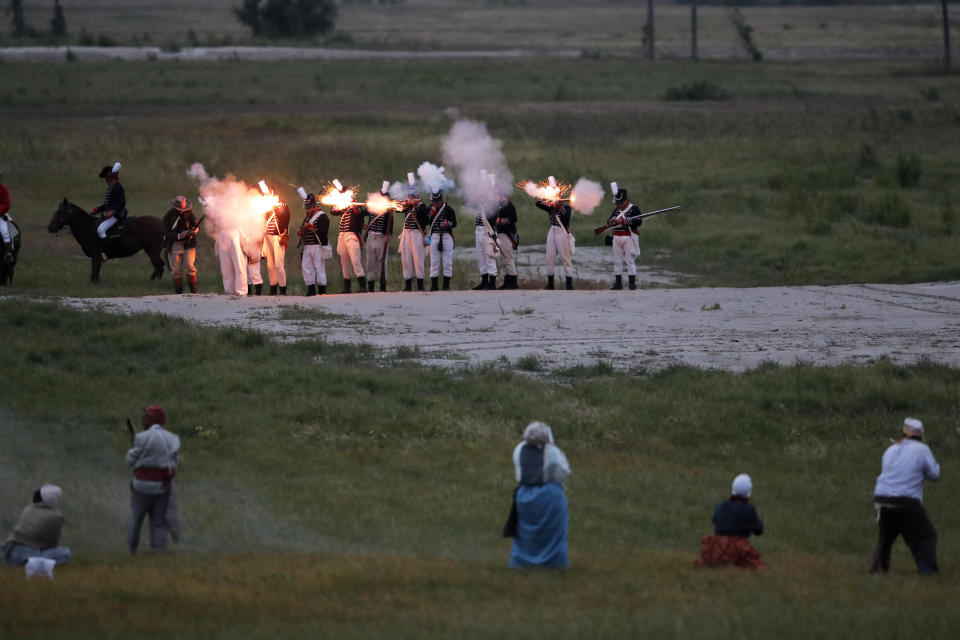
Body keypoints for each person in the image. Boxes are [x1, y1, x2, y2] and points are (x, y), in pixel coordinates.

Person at [871, 417, 940, 575]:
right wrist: (936, 466)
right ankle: (927, 570)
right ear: (921, 435)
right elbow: (934, 475)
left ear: (904, 432)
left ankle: (878, 569)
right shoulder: (921, 450)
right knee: (925, 535)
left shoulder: (891, 449)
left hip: (881, 498)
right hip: (906, 500)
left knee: (886, 536)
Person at [508, 421, 571, 569]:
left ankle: (522, 562)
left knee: (525, 532)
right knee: (553, 531)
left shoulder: (519, 449)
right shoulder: (552, 452)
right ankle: (553, 562)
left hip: (524, 494)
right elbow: (564, 471)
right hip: (549, 495)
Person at [126, 404, 181, 554]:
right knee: (158, 521)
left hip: (141, 486)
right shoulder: (173, 438)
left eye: (145, 417)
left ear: (151, 419)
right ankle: (159, 551)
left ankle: (132, 550)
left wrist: (133, 446)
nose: (143, 419)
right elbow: (174, 463)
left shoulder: (141, 438)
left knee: (136, 519)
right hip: (162, 486)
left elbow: (130, 460)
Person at [696, 474, 765, 569]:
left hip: (714, 548)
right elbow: (758, 531)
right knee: (759, 566)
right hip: (737, 548)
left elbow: (715, 522)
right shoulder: (748, 510)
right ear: (749, 491)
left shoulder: (720, 506)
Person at [2, 485, 71, 567]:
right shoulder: (57, 517)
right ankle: (34, 563)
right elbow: (51, 544)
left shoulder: (28, 509)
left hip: (11, 552)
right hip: (28, 555)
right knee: (65, 553)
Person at [605, 185, 641, 290]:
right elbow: (608, 222)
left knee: (630, 261)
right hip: (616, 237)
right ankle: (618, 284)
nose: (618, 205)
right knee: (617, 261)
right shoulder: (616, 210)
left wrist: (625, 221)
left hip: (628, 237)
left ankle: (632, 284)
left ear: (625, 200)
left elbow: (638, 221)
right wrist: (611, 220)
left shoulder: (634, 209)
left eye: (620, 203)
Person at [162, 196, 200, 294]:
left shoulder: (189, 213)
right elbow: (166, 233)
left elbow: (196, 225)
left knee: (190, 266)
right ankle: (179, 294)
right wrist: (179, 236)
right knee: (176, 269)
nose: (182, 211)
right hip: (175, 243)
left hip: (189, 243)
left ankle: (194, 293)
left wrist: (195, 231)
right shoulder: (168, 216)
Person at [535, 198, 574, 290]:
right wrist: (547, 199)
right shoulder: (551, 207)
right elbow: (538, 203)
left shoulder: (566, 207)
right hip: (551, 231)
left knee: (565, 258)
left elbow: (566, 218)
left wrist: (559, 205)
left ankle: (569, 284)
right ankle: (550, 284)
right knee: (549, 257)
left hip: (562, 232)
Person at [398, 184, 429, 292]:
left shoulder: (422, 206)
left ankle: (420, 285)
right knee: (406, 260)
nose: (410, 197)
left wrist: (417, 206)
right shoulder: (407, 206)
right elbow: (397, 208)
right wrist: (407, 204)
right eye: (409, 196)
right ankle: (408, 285)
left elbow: (426, 221)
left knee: (418, 259)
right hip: (406, 234)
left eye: (412, 196)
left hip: (417, 234)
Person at [92, 162, 126, 261]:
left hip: (116, 215)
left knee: (100, 230)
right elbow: (107, 205)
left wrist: (113, 212)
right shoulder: (111, 187)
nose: (106, 181)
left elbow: (122, 203)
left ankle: (105, 253)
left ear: (110, 177)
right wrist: (97, 209)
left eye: (106, 178)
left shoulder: (118, 187)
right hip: (110, 214)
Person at [297, 192, 330, 296]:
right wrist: (301, 232)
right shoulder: (307, 217)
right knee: (307, 268)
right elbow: (304, 229)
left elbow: (323, 231)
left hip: (317, 245)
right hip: (307, 245)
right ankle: (311, 289)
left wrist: (310, 227)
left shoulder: (322, 216)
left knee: (319, 268)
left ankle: (322, 291)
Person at [364, 182, 394, 292]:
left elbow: (390, 226)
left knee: (382, 263)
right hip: (371, 237)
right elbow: (361, 213)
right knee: (370, 263)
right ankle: (370, 287)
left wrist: (388, 235)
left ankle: (382, 287)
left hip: (382, 238)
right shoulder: (371, 208)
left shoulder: (388, 212)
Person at [332, 200, 366, 294]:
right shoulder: (342, 206)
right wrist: (337, 204)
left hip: (352, 236)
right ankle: (347, 288)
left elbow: (361, 212)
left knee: (356, 262)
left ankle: (363, 286)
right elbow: (333, 211)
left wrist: (354, 207)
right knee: (344, 263)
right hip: (342, 236)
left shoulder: (355, 205)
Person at [427, 190, 457, 291]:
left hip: (446, 236)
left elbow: (454, 223)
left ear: (441, 200)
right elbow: (425, 220)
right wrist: (431, 212)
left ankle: (446, 286)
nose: (436, 203)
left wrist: (447, 224)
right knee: (434, 262)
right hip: (434, 236)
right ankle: (434, 285)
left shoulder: (448, 209)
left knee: (447, 262)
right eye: (434, 201)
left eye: (437, 201)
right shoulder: (430, 209)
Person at [263, 200, 290, 295]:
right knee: (270, 265)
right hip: (268, 237)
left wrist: (274, 207)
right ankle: (273, 287)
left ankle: (283, 288)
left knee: (279, 264)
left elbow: (282, 216)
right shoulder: (268, 206)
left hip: (278, 237)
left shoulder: (283, 205)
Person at [495, 196, 519, 290]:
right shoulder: (498, 206)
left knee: (508, 258)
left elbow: (513, 219)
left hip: (507, 234)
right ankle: (506, 281)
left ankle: (513, 282)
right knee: (502, 258)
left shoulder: (509, 205)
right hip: (500, 234)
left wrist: (500, 221)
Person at [472, 206, 498, 291]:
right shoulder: (479, 204)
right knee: (481, 257)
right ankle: (484, 282)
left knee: (490, 257)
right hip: (478, 231)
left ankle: (492, 283)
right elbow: (465, 202)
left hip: (488, 231)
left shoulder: (491, 204)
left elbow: (492, 218)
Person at [215, 227, 247, 296]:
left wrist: (244, 237)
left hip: (234, 231)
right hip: (223, 232)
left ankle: (241, 290)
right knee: (226, 267)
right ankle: (230, 290)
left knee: (238, 264)